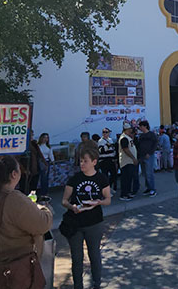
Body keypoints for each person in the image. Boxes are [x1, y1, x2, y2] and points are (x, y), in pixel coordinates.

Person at [0, 156, 53, 289]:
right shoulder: (13, 199)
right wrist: (44, 207)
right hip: (13, 276)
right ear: (14, 174)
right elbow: (43, 223)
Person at [60, 145, 111, 289]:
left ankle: (97, 283)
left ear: (94, 162)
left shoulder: (101, 178)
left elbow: (108, 200)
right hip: (75, 223)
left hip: (94, 223)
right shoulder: (75, 179)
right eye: (81, 161)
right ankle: (78, 285)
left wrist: (98, 202)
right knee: (77, 258)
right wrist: (72, 207)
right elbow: (64, 200)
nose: (82, 164)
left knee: (94, 255)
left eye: (85, 161)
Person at [118, 122, 139, 201]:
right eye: (129, 129)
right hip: (126, 162)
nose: (131, 130)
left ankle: (127, 193)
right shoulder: (124, 138)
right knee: (125, 178)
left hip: (130, 161)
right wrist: (133, 158)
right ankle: (124, 194)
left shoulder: (128, 137)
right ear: (125, 130)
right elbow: (125, 149)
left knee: (129, 178)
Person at [136, 120, 158, 197]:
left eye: (141, 126)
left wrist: (150, 153)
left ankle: (153, 189)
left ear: (145, 126)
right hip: (142, 156)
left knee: (149, 173)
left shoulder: (151, 135)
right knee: (145, 173)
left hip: (149, 156)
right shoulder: (141, 136)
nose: (140, 128)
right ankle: (148, 187)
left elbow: (155, 144)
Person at [97, 128, 117, 193]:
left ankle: (110, 187)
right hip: (104, 160)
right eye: (104, 132)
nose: (105, 134)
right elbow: (101, 151)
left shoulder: (110, 140)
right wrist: (107, 146)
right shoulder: (100, 141)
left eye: (107, 132)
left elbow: (113, 150)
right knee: (105, 176)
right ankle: (105, 190)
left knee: (113, 174)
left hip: (111, 159)